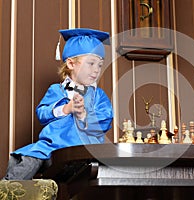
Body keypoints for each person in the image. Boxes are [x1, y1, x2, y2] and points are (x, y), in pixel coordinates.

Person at [3, 28, 114, 180]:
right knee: (27, 158)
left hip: (83, 150)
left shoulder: (99, 96)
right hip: (53, 148)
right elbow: (42, 113)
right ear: (70, 63)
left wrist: (83, 115)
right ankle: (9, 190)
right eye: (91, 63)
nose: (96, 70)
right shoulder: (57, 90)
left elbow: (106, 120)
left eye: (100, 65)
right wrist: (65, 109)